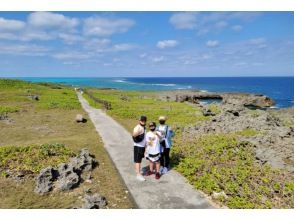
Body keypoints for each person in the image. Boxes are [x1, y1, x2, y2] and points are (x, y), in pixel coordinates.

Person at [132, 115, 147, 181]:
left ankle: (137, 171)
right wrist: (138, 132)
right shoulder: (137, 127)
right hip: (138, 146)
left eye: (144, 121)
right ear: (139, 121)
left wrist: (146, 146)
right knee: (138, 161)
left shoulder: (144, 127)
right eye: (142, 120)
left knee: (138, 160)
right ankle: (138, 175)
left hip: (142, 146)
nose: (143, 122)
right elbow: (134, 134)